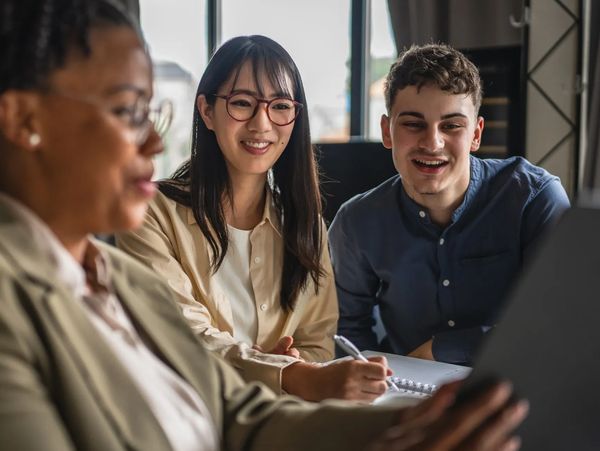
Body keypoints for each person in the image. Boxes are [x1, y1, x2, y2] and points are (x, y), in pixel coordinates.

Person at [0, 1, 529, 449]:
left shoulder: (118, 277)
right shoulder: (19, 296)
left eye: (279, 107)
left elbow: (244, 412)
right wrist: (289, 374)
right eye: (126, 111)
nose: (154, 145)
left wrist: (410, 427)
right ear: (25, 121)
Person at [116, 35, 390, 401]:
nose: (262, 124)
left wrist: (291, 367)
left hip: (279, 420)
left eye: (279, 106)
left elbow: (317, 344)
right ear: (207, 111)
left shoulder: (306, 224)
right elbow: (179, 337)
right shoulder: (151, 214)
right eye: (242, 103)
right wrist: (284, 374)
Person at [329, 43, 571, 366]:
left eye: (451, 125)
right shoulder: (354, 224)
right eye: (413, 124)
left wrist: (440, 350)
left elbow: (560, 320)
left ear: (476, 134)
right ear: (387, 131)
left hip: (518, 389)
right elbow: (348, 332)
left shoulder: (535, 199)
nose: (433, 143)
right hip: (404, 398)